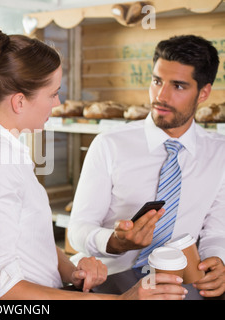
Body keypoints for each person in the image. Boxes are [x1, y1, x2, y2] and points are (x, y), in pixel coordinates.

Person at [0, 26, 187, 300]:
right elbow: (1, 290)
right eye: (52, 93)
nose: (57, 103)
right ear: (20, 102)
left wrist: (71, 271)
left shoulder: (1, 148)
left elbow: (28, 239)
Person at [68, 35, 225, 298]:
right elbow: (78, 230)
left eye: (178, 86)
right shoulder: (109, 144)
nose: (161, 96)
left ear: (204, 93)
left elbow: (216, 229)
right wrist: (116, 243)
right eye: (156, 81)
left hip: (183, 281)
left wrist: (218, 261)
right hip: (112, 278)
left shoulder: (220, 152)